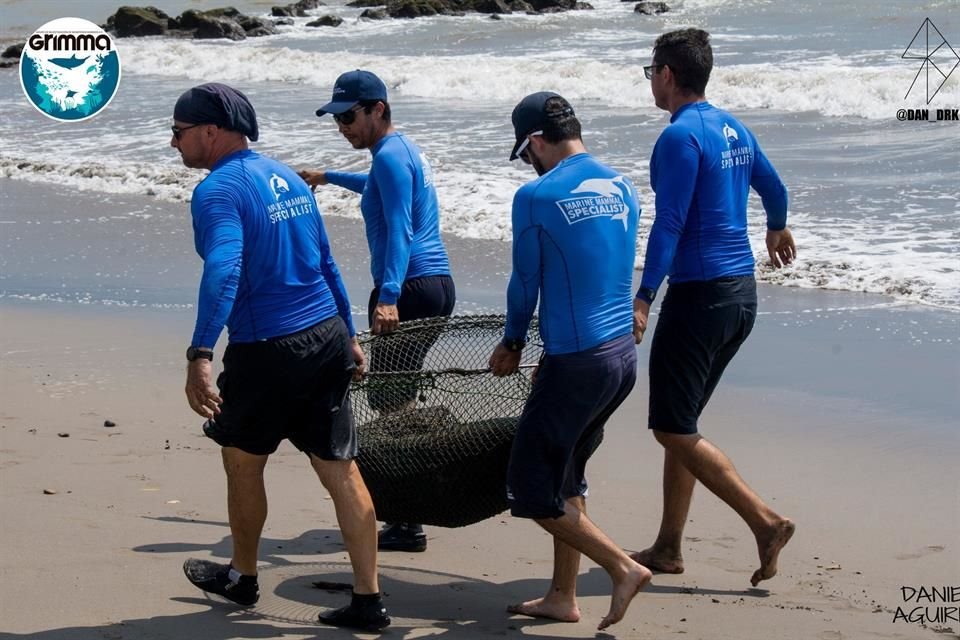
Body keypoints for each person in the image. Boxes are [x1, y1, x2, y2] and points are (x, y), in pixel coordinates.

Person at [171, 82, 390, 632]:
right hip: (325, 336)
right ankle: (368, 600)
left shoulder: (219, 190)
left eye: (177, 132)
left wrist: (201, 352)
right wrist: (349, 332)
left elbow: (223, 269)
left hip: (268, 348)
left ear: (209, 132)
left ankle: (243, 577)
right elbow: (326, 259)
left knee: (243, 459)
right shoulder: (287, 177)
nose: (173, 143)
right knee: (340, 470)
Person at [631, 28, 797, 588]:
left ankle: (765, 521)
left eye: (650, 71)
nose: (650, 81)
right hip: (739, 296)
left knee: (670, 429)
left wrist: (645, 295)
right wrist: (776, 227)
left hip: (700, 297)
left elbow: (670, 223)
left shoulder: (680, 137)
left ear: (668, 75)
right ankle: (669, 547)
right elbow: (774, 187)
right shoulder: (734, 128)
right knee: (683, 423)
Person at [488, 92, 651, 631]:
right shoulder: (621, 186)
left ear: (534, 141)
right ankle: (563, 596)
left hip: (579, 362)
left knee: (533, 489)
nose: (527, 161)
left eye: (525, 150)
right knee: (569, 478)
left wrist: (512, 343)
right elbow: (601, 271)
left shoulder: (536, 196)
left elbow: (526, 283)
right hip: (621, 358)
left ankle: (622, 567)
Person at [299, 70, 455, 554]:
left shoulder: (388, 156)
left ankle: (410, 520)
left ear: (377, 110)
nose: (342, 126)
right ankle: (409, 514)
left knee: (391, 401)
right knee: (396, 395)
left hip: (408, 286)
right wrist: (327, 176)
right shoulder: (399, 151)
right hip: (434, 285)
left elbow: (401, 229)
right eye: (336, 118)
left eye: (348, 116)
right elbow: (377, 186)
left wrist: (387, 295)